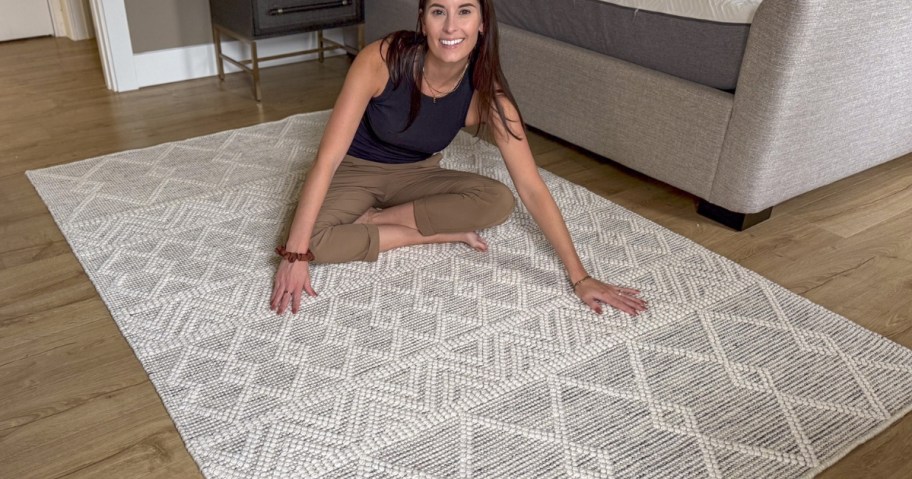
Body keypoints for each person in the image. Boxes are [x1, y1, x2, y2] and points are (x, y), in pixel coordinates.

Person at [270, 0, 648, 317]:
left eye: (465, 11)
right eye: (438, 11)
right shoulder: (381, 60)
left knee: (499, 200)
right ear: (423, 19)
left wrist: (580, 278)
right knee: (309, 244)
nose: (451, 26)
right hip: (356, 169)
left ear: (482, 22)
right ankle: (428, 234)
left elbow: (531, 189)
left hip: (417, 176)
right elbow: (327, 160)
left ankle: (379, 220)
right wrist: (295, 254)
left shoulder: (488, 97)